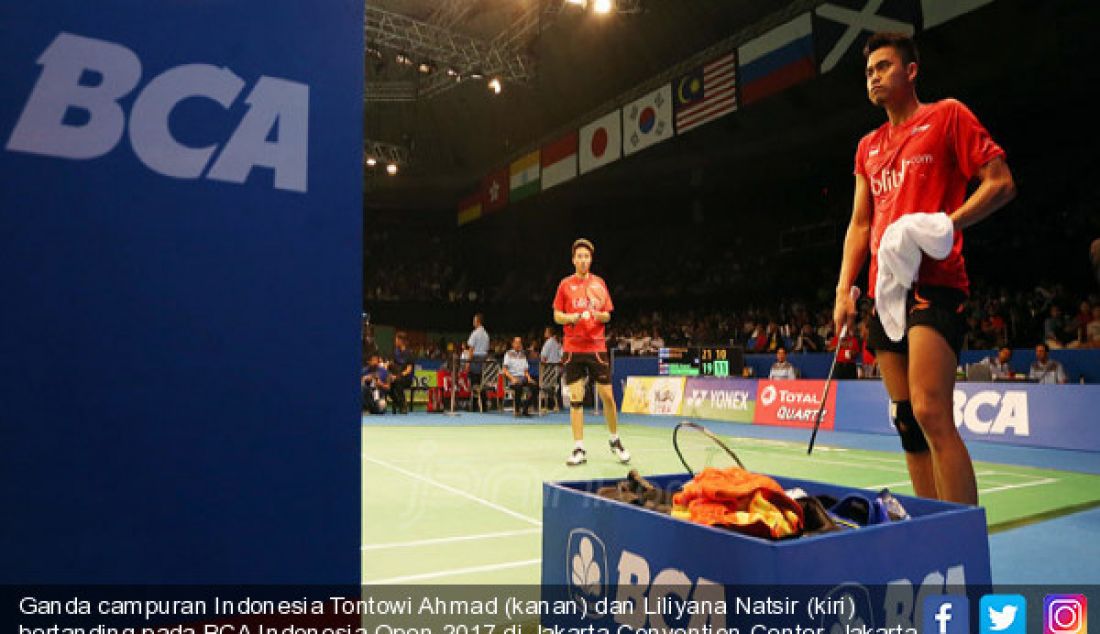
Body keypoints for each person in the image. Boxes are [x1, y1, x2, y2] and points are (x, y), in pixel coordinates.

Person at [832, 33, 1016, 505]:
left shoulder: (947, 116)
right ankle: (929, 534)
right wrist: (842, 290)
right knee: (907, 421)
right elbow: (859, 223)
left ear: (911, 71)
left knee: (932, 412)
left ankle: (962, 537)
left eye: (885, 66)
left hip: (935, 284)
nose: (874, 76)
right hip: (882, 294)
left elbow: (1000, 183)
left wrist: (946, 224)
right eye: (870, 70)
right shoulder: (867, 147)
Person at [553, 238, 630, 466]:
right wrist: (572, 317)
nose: (583, 260)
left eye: (586, 256)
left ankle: (615, 440)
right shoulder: (565, 285)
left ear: (590, 259)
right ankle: (579, 448)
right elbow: (557, 316)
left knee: (607, 396)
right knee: (576, 399)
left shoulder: (600, 284)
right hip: (573, 348)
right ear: (573, 259)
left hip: (596, 347)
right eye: (579, 256)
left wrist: (597, 315)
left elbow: (607, 314)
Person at [502, 337, 538, 416]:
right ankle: (517, 410)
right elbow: (504, 370)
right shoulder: (508, 354)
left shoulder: (523, 354)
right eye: (516, 343)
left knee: (536, 387)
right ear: (513, 344)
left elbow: (525, 370)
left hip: (523, 378)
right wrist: (513, 379)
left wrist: (529, 378)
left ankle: (525, 408)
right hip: (512, 379)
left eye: (520, 343)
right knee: (519, 387)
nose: (518, 344)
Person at [466, 313, 490, 410]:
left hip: (475, 360)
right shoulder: (486, 335)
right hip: (483, 361)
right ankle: (484, 406)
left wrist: (468, 363)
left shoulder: (475, 333)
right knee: (482, 383)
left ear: (477, 321)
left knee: (474, 383)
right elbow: (487, 351)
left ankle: (474, 406)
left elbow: (471, 350)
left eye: (474, 320)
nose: (473, 322)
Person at [389, 332, 415, 414]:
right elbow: (391, 364)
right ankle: (399, 403)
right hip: (395, 376)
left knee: (398, 382)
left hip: (406, 378)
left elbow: (408, 370)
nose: (395, 341)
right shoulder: (395, 352)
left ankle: (403, 405)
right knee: (387, 385)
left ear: (401, 340)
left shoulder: (409, 353)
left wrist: (397, 376)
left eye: (396, 340)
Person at [540, 327, 564, 410]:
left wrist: (543, 363)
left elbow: (543, 357)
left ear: (549, 333)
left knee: (547, 386)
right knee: (557, 386)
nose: (544, 333)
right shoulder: (558, 343)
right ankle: (559, 405)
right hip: (558, 368)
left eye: (546, 331)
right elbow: (562, 356)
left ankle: (549, 405)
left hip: (549, 367)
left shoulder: (548, 342)